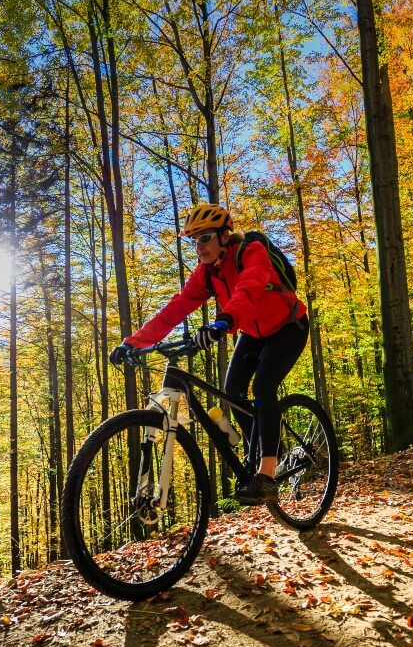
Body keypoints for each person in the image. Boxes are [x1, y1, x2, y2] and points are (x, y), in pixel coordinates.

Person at [109, 202, 309, 504]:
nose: (199, 247)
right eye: (194, 240)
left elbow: (250, 286)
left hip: (289, 325)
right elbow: (175, 309)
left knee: (264, 385)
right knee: (232, 390)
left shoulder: (251, 252)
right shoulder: (206, 274)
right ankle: (264, 447)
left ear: (224, 236)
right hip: (254, 332)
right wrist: (133, 342)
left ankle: (267, 474)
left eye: (205, 238)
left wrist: (224, 321)